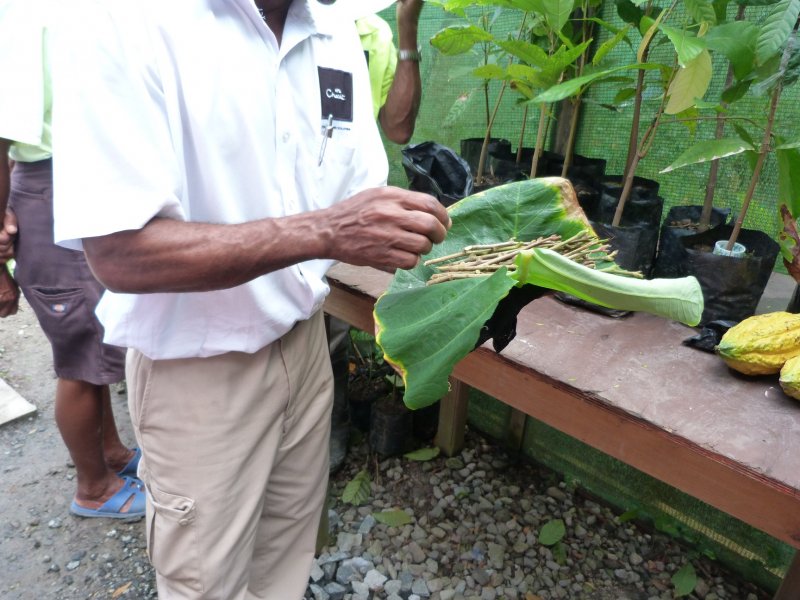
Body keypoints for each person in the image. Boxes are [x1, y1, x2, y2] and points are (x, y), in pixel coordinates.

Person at [49, 1, 450, 598]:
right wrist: (327, 231)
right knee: (205, 581)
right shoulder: (126, 19)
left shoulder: (332, 27)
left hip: (305, 345)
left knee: (285, 561)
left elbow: (354, 183)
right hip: (199, 373)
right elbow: (120, 253)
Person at [0, 0, 144, 519]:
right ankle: (94, 488)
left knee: (95, 345)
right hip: (55, 189)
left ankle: (111, 454)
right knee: (80, 356)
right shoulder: (29, 13)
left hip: (84, 183)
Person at [328, 0, 425, 472]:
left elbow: (399, 127)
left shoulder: (372, 35)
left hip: (351, 225)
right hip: (298, 221)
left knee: (328, 342)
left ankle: (323, 451)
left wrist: (407, 27)